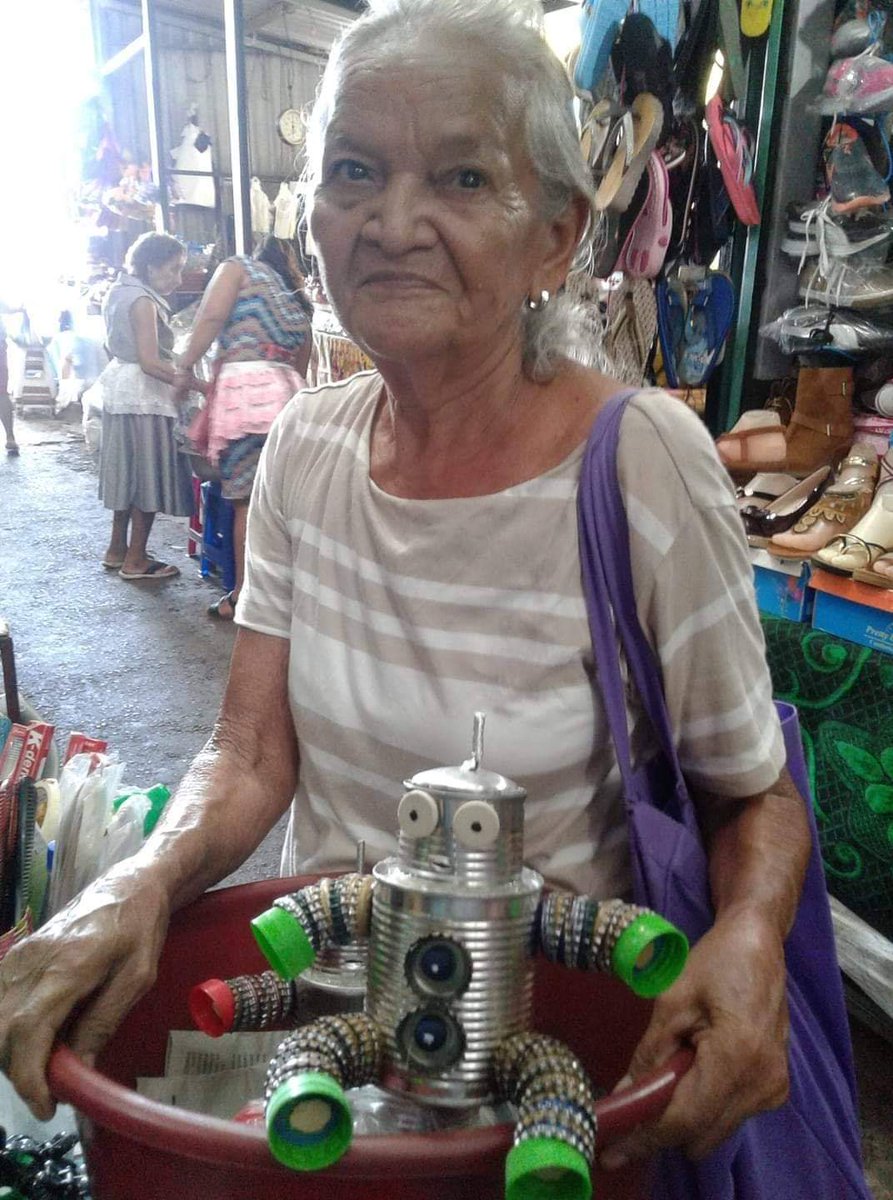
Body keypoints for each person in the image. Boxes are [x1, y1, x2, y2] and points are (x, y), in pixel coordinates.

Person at [0, 3, 867, 1196]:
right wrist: (127, 887)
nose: (392, 223)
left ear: (555, 237)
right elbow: (248, 755)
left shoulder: (639, 463)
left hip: (556, 1087)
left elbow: (751, 793)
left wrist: (749, 937)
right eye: (354, 171)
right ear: (312, 216)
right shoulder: (305, 447)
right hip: (331, 1066)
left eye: (461, 177)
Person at [172, 236, 311, 619]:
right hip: (289, 401)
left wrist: (185, 367)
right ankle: (290, 596)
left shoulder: (237, 268)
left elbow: (211, 317)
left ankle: (243, 599)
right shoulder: (296, 302)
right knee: (283, 504)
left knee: (246, 503)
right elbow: (301, 368)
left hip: (245, 399)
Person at [92, 232, 200, 580]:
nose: (178, 279)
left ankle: (117, 549)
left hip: (120, 389)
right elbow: (151, 363)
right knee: (147, 479)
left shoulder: (118, 291)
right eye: (173, 269)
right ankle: (136, 560)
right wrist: (201, 385)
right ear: (151, 266)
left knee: (127, 474)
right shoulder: (143, 301)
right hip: (144, 395)